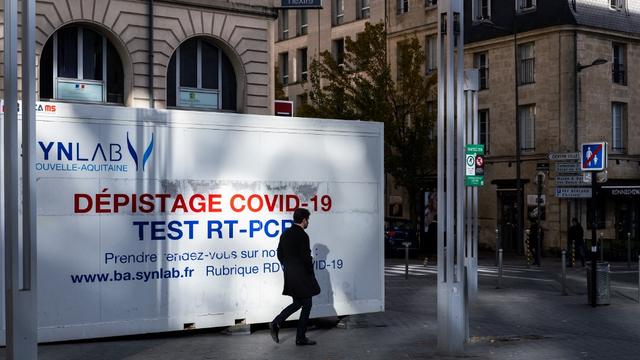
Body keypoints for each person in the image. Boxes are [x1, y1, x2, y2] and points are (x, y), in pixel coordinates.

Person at [269, 208, 320, 346]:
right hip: (301, 276)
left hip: (290, 275)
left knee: (299, 303)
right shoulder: (303, 236)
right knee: (307, 304)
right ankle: (300, 337)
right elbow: (305, 258)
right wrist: (310, 271)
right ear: (304, 220)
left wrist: (287, 266)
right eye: (307, 219)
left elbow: (279, 254)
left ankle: (277, 323)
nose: (308, 222)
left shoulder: (285, 234)